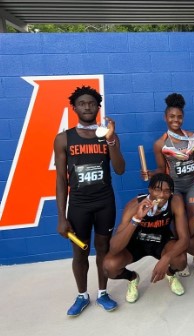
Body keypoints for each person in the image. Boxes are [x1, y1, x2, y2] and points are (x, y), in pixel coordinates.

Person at [54, 86, 125, 317]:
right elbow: (60, 180)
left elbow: (120, 169)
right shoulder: (64, 138)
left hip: (105, 202)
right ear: (74, 107)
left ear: (98, 107)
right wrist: (61, 217)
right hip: (78, 206)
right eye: (82, 103)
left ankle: (103, 293)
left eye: (92, 103)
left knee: (103, 248)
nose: (87, 107)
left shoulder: (107, 136)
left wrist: (112, 140)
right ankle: (82, 295)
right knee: (80, 253)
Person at [143, 93, 194, 277]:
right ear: (165, 118)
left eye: (179, 116)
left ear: (183, 118)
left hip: (192, 185)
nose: (176, 120)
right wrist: (151, 173)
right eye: (172, 116)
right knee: (178, 224)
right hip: (173, 188)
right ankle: (181, 256)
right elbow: (160, 168)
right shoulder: (160, 144)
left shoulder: (191, 138)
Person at [103, 173, 189, 303]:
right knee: (110, 265)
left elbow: (185, 239)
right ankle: (132, 278)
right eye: (157, 190)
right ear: (150, 190)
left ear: (171, 193)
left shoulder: (175, 201)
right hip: (137, 243)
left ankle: (170, 274)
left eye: (166, 191)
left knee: (180, 260)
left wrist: (166, 259)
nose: (161, 195)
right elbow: (114, 248)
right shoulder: (133, 205)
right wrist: (136, 218)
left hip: (162, 241)